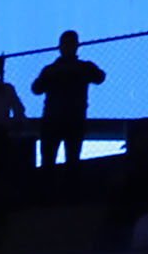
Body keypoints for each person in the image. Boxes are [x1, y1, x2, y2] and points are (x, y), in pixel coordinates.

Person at [31, 32, 106, 168]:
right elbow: (100, 77)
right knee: (71, 160)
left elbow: (36, 89)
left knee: (50, 160)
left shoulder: (52, 69)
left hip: (55, 120)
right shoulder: (81, 67)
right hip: (71, 119)